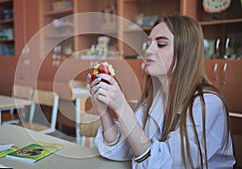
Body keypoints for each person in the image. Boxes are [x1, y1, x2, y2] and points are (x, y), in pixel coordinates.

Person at [87, 15, 235, 169]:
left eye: (161, 44)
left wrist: (122, 107)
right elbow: (125, 150)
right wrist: (103, 109)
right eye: (148, 43)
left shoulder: (208, 105)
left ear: (185, 52)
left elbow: (166, 164)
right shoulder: (153, 100)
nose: (148, 51)